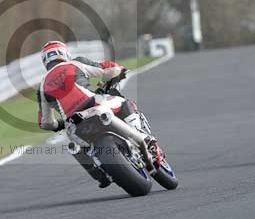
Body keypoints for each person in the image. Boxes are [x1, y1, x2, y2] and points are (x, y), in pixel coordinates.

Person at [36, 41, 162, 188]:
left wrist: (59, 124)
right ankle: (145, 139)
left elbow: (45, 123)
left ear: (45, 61)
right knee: (124, 103)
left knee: (74, 146)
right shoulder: (76, 63)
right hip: (96, 105)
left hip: (73, 124)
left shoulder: (41, 87)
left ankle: (100, 176)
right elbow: (107, 69)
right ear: (64, 53)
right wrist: (117, 73)